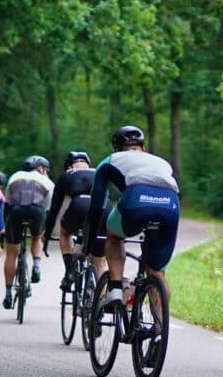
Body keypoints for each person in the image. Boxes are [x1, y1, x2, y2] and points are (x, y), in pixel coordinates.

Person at [82, 125, 180, 306]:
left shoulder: (111, 160)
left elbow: (96, 206)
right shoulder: (162, 162)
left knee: (114, 236)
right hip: (171, 205)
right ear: (143, 147)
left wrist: (87, 245)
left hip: (136, 200)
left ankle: (116, 289)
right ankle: (160, 328)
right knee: (157, 272)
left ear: (116, 148)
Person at [44, 151, 106, 291]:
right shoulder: (99, 172)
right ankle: (99, 304)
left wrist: (47, 236)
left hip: (79, 206)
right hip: (104, 209)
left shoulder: (67, 175)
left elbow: (54, 210)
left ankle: (69, 271)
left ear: (68, 166)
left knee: (65, 233)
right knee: (99, 261)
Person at [2, 155, 54, 309]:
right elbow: (48, 208)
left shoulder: (14, 177)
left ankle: (8, 293)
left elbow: (8, 203)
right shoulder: (48, 182)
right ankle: (36, 266)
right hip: (36, 211)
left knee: (12, 253)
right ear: (41, 168)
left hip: (16, 211)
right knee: (38, 237)